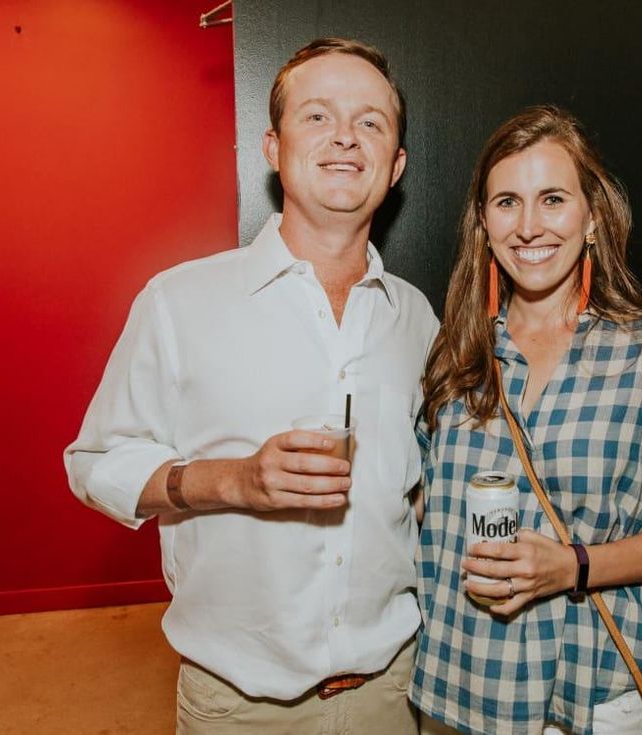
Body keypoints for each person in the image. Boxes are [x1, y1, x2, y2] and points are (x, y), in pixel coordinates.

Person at [65, 38, 437, 734]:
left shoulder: (417, 318)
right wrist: (230, 481)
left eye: (370, 123)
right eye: (318, 116)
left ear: (395, 166)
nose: (345, 139)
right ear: (272, 147)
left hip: (392, 694)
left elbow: (412, 488)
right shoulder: (180, 301)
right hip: (240, 708)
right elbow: (92, 464)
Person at [409, 105, 642, 735]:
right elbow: (424, 509)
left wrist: (573, 566)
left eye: (554, 199)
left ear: (591, 217)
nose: (529, 225)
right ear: (483, 224)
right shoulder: (455, 354)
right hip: (460, 690)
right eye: (507, 201)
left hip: (592, 699)